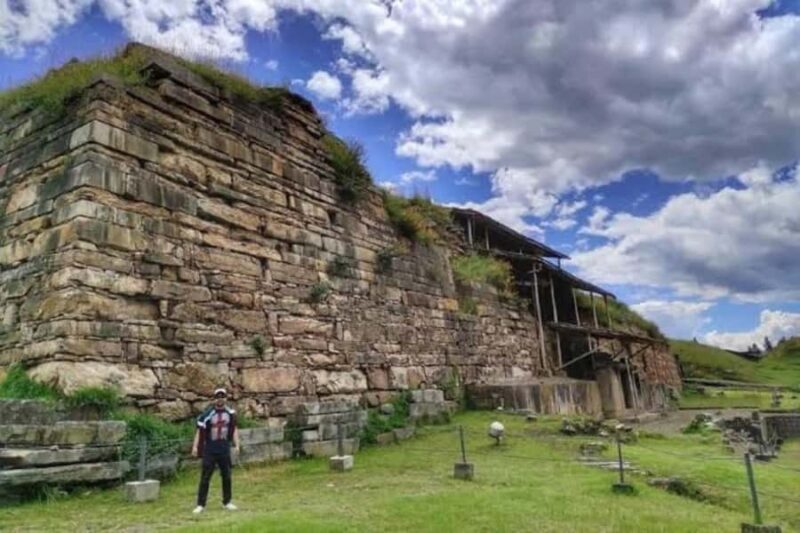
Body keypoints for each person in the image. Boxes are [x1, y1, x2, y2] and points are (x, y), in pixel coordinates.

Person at [192, 387, 240, 514]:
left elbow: (234, 429)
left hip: (224, 447)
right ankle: (201, 504)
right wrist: (195, 446)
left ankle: (227, 501)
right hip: (210, 448)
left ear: (226, 398)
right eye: (218, 397)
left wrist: (237, 445)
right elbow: (199, 430)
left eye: (222, 397)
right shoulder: (207, 414)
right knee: (205, 477)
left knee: (227, 476)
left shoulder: (230, 414)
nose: (220, 399)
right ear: (214, 399)